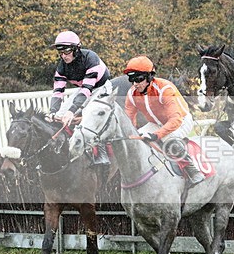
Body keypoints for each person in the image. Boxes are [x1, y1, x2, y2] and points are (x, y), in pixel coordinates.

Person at [123, 55, 205, 185]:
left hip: (181, 121)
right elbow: (129, 121)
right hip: (156, 123)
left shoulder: (164, 89)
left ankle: (193, 171)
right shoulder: (132, 94)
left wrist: (156, 135)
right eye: (131, 79)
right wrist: (130, 135)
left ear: (149, 77)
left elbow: (175, 120)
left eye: (138, 79)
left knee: (168, 140)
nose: (135, 84)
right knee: (137, 139)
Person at [47, 30, 111, 165]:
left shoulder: (91, 58)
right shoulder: (61, 67)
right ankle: (68, 147)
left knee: (92, 116)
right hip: (83, 89)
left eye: (67, 52)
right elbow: (58, 92)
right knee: (60, 114)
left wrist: (71, 112)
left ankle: (102, 154)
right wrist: (52, 112)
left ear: (76, 49)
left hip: (101, 88)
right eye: (60, 52)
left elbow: (88, 90)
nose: (63, 56)